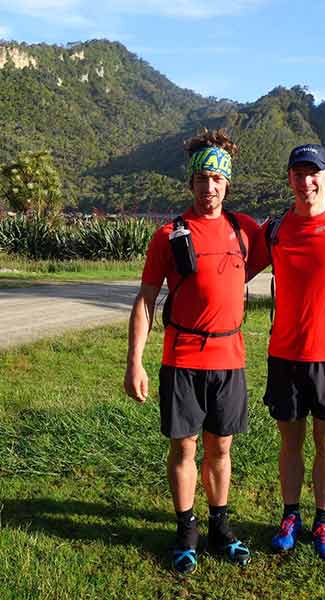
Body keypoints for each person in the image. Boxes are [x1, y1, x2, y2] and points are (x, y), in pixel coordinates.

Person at [123, 129, 259, 575]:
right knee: (184, 450)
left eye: (217, 179)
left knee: (221, 449)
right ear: (191, 183)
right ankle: (186, 532)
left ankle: (220, 529)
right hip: (182, 360)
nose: (209, 188)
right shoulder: (169, 235)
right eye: (202, 179)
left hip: (230, 361)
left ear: (228, 184)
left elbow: (297, 251)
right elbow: (144, 301)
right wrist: (135, 364)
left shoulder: (245, 231)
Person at [252, 143, 325, 560]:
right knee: (290, 444)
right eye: (297, 173)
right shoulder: (276, 228)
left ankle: (323, 520)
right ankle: (290, 516)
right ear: (290, 179)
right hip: (285, 353)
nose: (305, 181)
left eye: (313, 173)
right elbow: (234, 267)